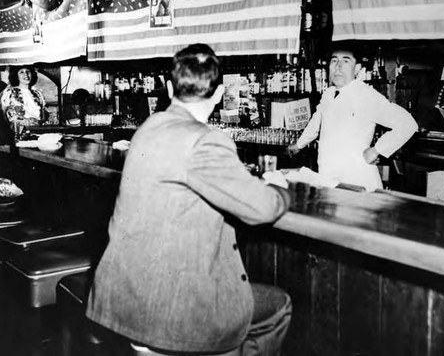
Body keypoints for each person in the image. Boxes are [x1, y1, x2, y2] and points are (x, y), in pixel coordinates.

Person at [86, 44, 292, 355]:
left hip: (126, 301)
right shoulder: (206, 140)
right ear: (221, 92)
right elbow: (263, 208)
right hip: (175, 313)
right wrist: (280, 186)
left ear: (169, 88)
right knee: (278, 305)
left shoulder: (148, 128)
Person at [287, 43, 418, 192]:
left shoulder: (366, 95)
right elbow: (316, 123)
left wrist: (376, 150)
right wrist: (299, 145)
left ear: (357, 69)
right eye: (334, 60)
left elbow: (408, 124)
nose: (338, 66)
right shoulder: (329, 94)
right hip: (329, 178)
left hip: (357, 181)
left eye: (345, 61)